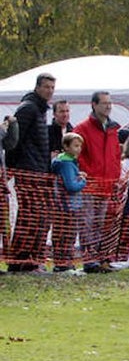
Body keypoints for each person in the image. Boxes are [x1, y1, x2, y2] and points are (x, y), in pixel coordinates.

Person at [6, 73, 55, 271]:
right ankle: (21, 260)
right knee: (29, 216)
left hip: (40, 170)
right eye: (46, 87)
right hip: (29, 171)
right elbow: (14, 141)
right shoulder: (28, 108)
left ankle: (32, 259)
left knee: (39, 216)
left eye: (52, 87)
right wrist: (13, 168)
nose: (50, 91)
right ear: (37, 87)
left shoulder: (41, 110)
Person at [74, 90, 121, 273]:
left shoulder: (112, 129)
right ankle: (89, 259)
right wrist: (87, 173)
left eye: (110, 103)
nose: (108, 106)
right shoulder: (82, 129)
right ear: (94, 105)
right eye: (104, 103)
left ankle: (101, 258)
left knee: (102, 223)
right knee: (87, 223)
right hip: (90, 184)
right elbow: (77, 154)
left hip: (107, 184)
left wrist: (115, 177)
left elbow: (116, 155)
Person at [50, 132, 87, 273]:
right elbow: (71, 186)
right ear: (66, 147)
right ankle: (64, 263)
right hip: (69, 205)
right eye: (75, 146)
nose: (78, 149)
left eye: (80, 146)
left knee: (62, 233)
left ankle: (63, 262)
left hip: (63, 204)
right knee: (67, 234)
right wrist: (83, 181)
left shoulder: (63, 161)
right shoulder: (66, 164)